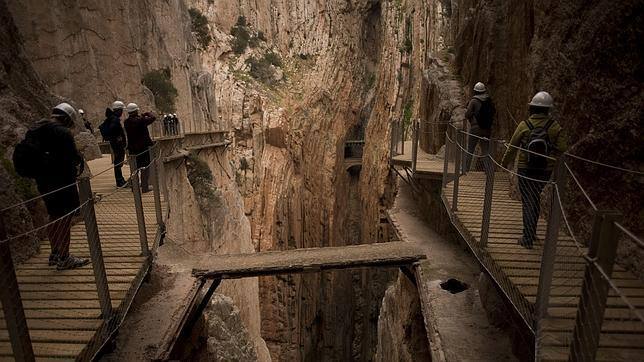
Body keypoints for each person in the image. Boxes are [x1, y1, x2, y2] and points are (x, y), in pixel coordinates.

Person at [15, 103, 90, 270]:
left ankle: (55, 252)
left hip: (44, 181)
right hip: (62, 182)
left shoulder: (37, 129)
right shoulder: (63, 133)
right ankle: (64, 257)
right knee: (64, 219)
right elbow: (71, 159)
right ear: (68, 119)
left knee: (53, 216)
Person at [501, 91, 567, 249]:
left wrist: (504, 163)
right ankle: (532, 232)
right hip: (545, 170)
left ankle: (527, 237)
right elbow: (563, 149)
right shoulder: (555, 127)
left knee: (528, 201)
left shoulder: (524, 125)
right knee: (535, 197)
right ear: (548, 110)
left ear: (532, 108)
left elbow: (512, 147)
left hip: (526, 168)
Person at [124, 103, 156, 193]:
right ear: (136, 111)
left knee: (134, 168)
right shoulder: (141, 120)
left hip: (132, 149)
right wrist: (147, 114)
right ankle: (145, 187)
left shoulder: (126, 122)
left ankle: (134, 187)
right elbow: (153, 118)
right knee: (145, 168)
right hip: (143, 148)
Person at [464, 82, 495, 172]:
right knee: (485, 150)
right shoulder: (489, 100)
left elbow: (467, 114)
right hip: (486, 129)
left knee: (470, 148)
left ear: (475, 91)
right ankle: (488, 170)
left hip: (475, 128)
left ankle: (466, 169)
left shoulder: (474, 101)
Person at [100, 101, 128, 187]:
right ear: (118, 110)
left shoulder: (111, 118)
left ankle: (120, 180)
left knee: (118, 161)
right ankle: (119, 181)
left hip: (115, 142)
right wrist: (118, 137)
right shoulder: (114, 119)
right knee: (118, 162)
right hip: (117, 143)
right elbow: (113, 128)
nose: (122, 112)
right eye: (121, 110)